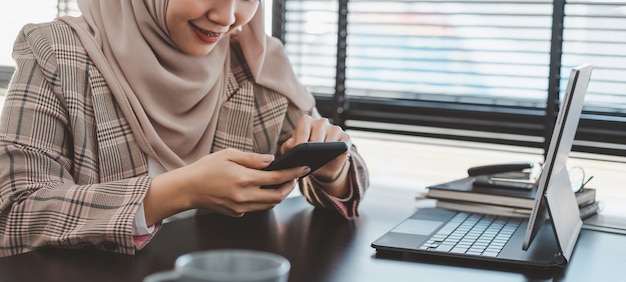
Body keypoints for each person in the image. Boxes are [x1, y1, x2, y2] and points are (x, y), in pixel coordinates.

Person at [0, 0, 369, 257]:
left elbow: (349, 176)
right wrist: (174, 192)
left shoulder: (255, 59)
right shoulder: (57, 52)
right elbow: (13, 212)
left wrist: (332, 171)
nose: (226, 17)